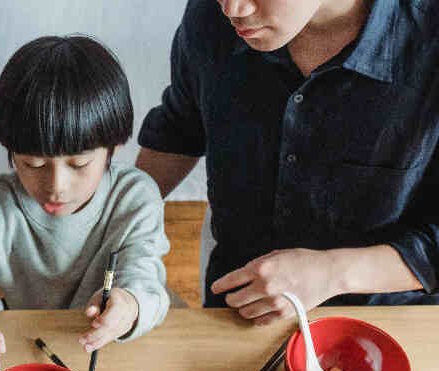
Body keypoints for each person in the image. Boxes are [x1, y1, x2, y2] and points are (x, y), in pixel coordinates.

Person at [137, 0, 439, 324]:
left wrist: (333, 273)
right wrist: (108, 217)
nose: (232, 9)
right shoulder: (209, 16)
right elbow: (180, 127)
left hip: (392, 323)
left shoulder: (428, 38)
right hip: (240, 311)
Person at [0, 35, 172, 370]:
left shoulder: (135, 198)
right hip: (30, 352)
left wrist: (128, 305)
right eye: (33, 164)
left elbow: (146, 283)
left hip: (113, 355)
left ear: (112, 150)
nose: (56, 187)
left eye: (79, 165)